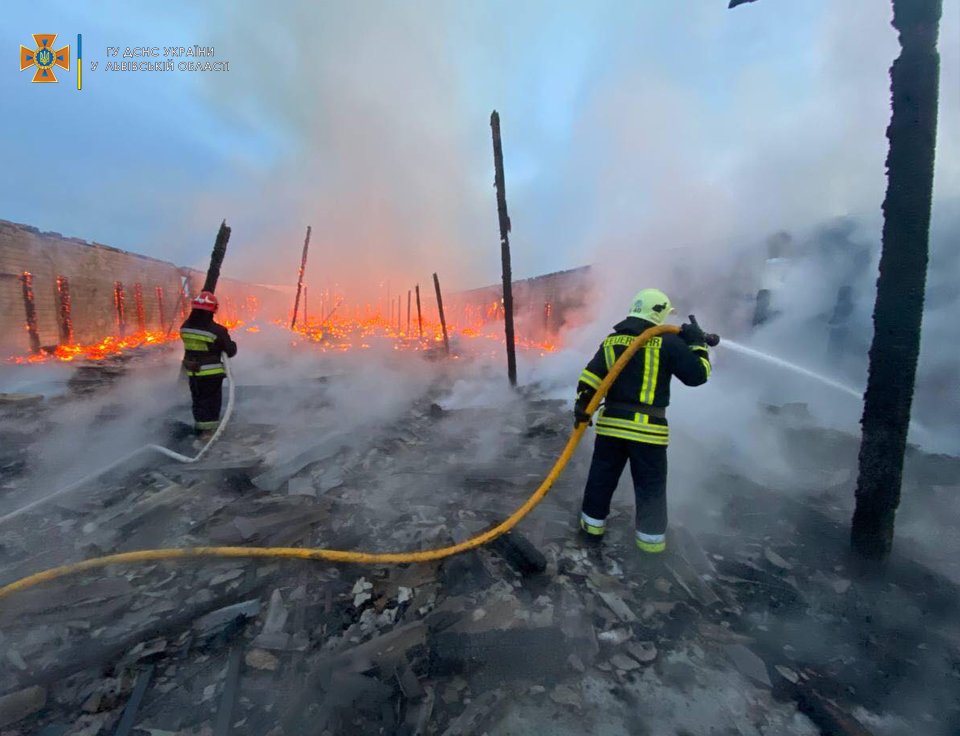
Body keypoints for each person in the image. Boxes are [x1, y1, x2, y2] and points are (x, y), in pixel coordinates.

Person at [574, 288, 711, 555]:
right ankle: (650, 548)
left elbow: (591, 376)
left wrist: (582, 404)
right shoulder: (669, 343)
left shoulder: (612, 341)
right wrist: (697, 345)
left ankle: (591, 531)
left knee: (600, 479)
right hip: (648, 433)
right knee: (650, 489)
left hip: (611, 427)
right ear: (658, 312)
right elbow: (697, 376)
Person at [179, 291, 237, 438]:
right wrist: (230, 344)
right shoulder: (216, 330)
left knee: (198, 402)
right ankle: (209, 435)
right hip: (211, 374)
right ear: (213, 309)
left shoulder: (185, 327)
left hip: (193, 372)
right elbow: (230, 350)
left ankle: (200, 431)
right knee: (211, 404)